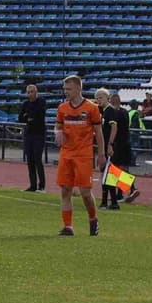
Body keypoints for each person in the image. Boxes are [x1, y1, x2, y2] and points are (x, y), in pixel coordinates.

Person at [53, 75, 103, 237]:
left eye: (69, 89)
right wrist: (57, 132)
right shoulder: (62, 108)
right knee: (65, 191)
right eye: (64, 89)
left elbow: (98, 132)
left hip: (83, 155)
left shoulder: (91, 108)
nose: (66, 92)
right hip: (66, 153)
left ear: (78, 88)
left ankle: (93, 219)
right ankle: (68, 227)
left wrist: (101, 153)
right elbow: (58, 126)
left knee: (85, 193)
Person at [101, 90, 139, 208]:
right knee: (121, 168)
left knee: (113, 171)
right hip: (126, 143)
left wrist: (110, 143)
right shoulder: (125, 112)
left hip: (117, 145)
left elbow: (113, 129)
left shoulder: (114, 113)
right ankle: (121, 193)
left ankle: (129, 186)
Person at [18, 83, 48, 192]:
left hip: (39, 134)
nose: (30, 94)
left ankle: (42, 185)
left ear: (36, 92)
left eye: (32, 92)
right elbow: (20, 118)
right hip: (29, 133)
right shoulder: (25, 103)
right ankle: (33, 185)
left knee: (37, 159)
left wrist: (28, 116)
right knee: (30, 159)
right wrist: (29, 117)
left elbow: (38, 114)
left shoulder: (41, 101)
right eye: (28, 92)